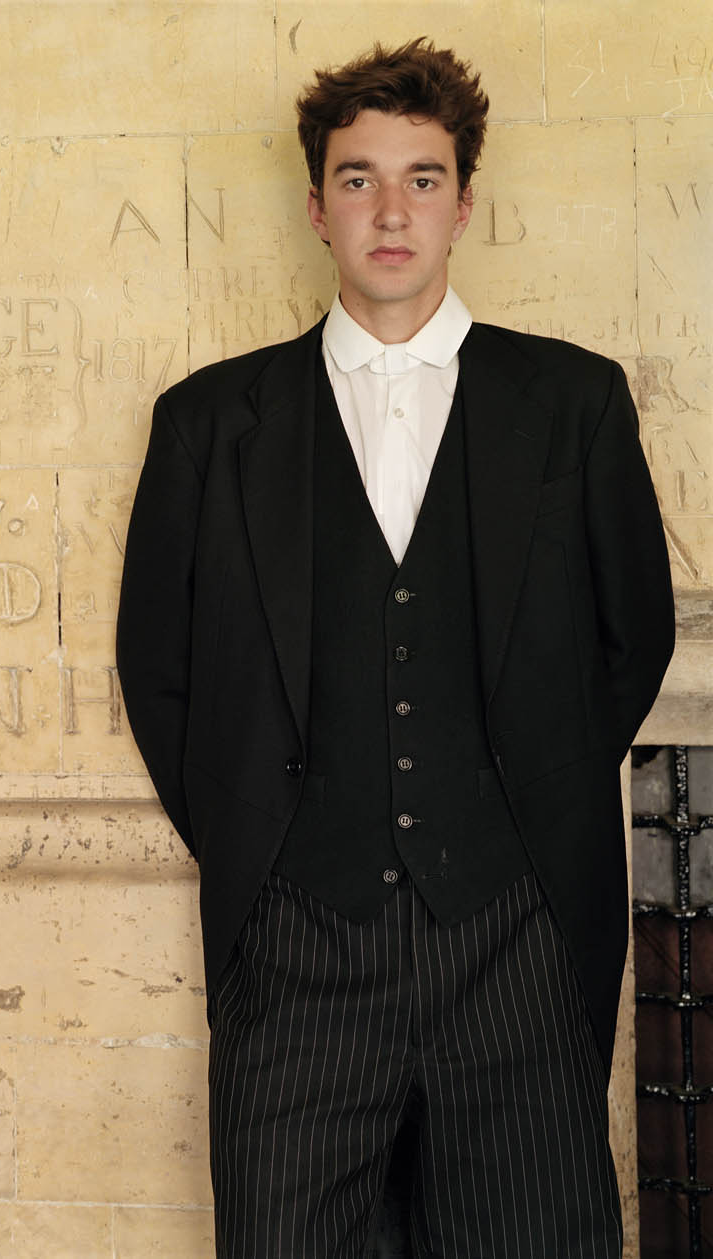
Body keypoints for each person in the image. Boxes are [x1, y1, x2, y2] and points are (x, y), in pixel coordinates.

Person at [117, 37, 673, 1258]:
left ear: (462, 204)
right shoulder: (209, 422)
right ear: (316, 207)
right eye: (357, 178)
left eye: (421, 179)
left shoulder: (571, 404)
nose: (389, 210)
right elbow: (158, 667)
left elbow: (631, 638)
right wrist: (266, 849)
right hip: (295, 944)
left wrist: (521, 817)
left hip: (517, 938)